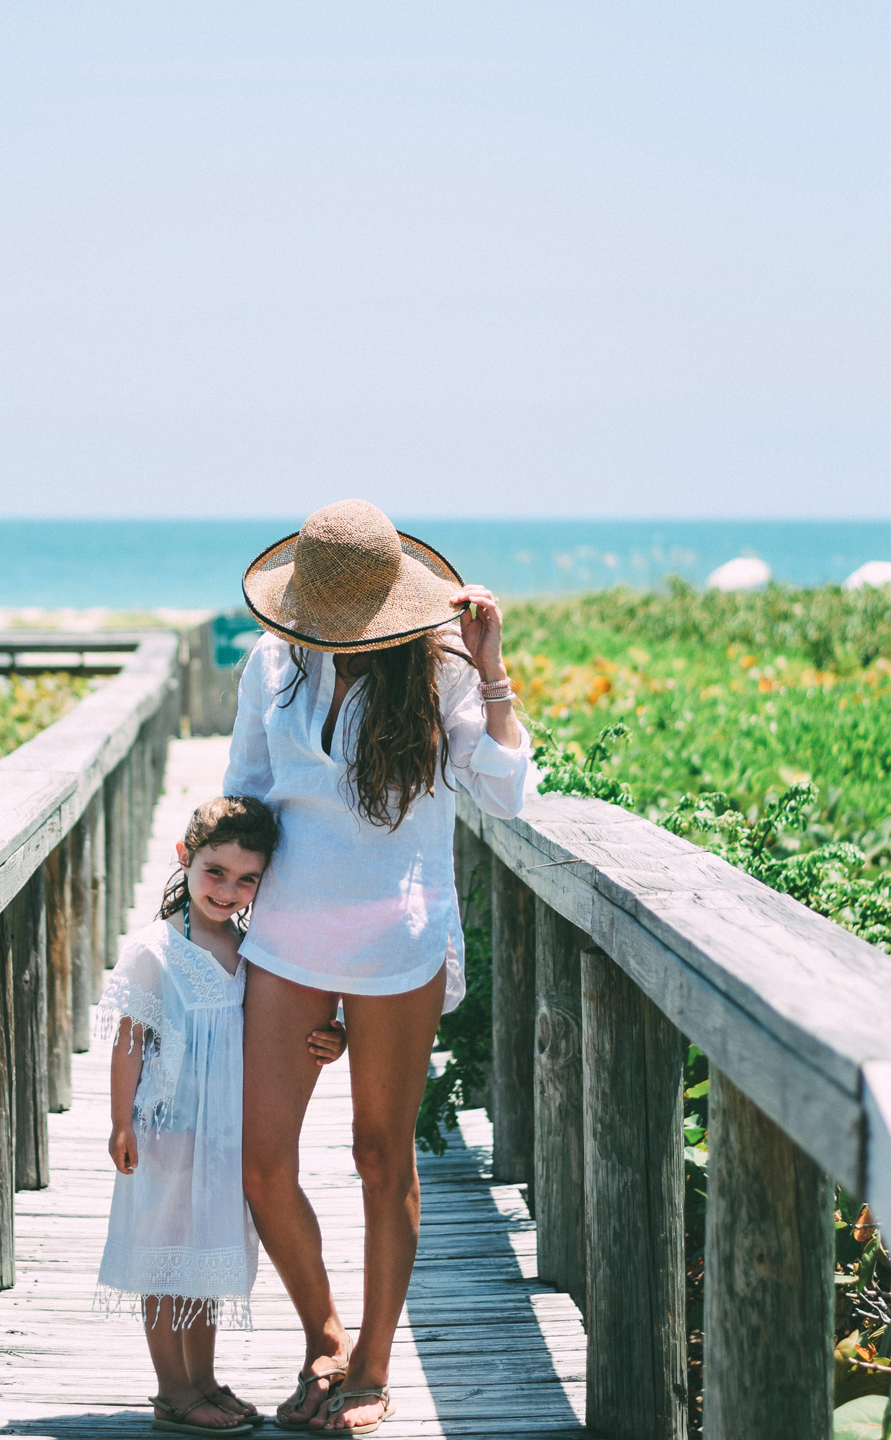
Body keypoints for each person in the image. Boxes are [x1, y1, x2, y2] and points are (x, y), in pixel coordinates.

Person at [224, 499, 528, 1437]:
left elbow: (511, 796)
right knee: (262, 1162)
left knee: (378, 1153)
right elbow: (244, 799)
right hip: (284, 941)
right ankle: (323, 1338)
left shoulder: (438, 674)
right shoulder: (273, 664)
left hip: (399, 945)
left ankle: (372, 1369)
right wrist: (206, 922)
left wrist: (493, 670)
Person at [95, 794, 347, 1435]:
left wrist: (331, 1036)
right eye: (215, 872)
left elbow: (274, 1027)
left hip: (223, 1136)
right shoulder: (157, 949)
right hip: (169, 1128)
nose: (228, 889)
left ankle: (203, 1380)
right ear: (185, 857)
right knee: (165, 1258)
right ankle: (173, 1391)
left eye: (246, 880)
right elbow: (131, 1038)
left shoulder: (252, 945)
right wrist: (121, 1121)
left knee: (202, 1259)